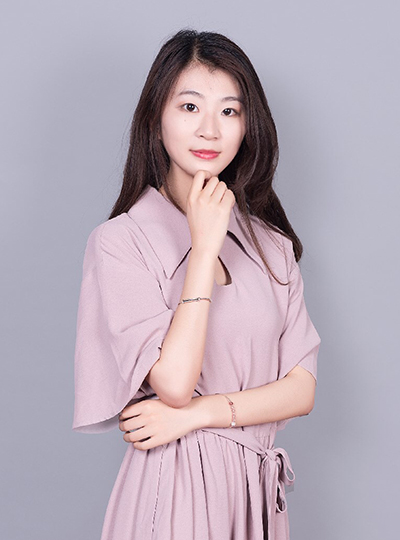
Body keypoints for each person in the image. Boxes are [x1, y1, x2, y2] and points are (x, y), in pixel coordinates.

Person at [72, 28, 321, 540]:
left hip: (254, 493)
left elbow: (301, 391)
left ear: (248, 126)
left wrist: (197, 415)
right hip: (174, 490)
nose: (209, 129)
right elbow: (174, 383)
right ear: (156, 117)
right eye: (189, 107)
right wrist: (204, 249)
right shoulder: (120, 243)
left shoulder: (272, 246)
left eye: (229, 111)